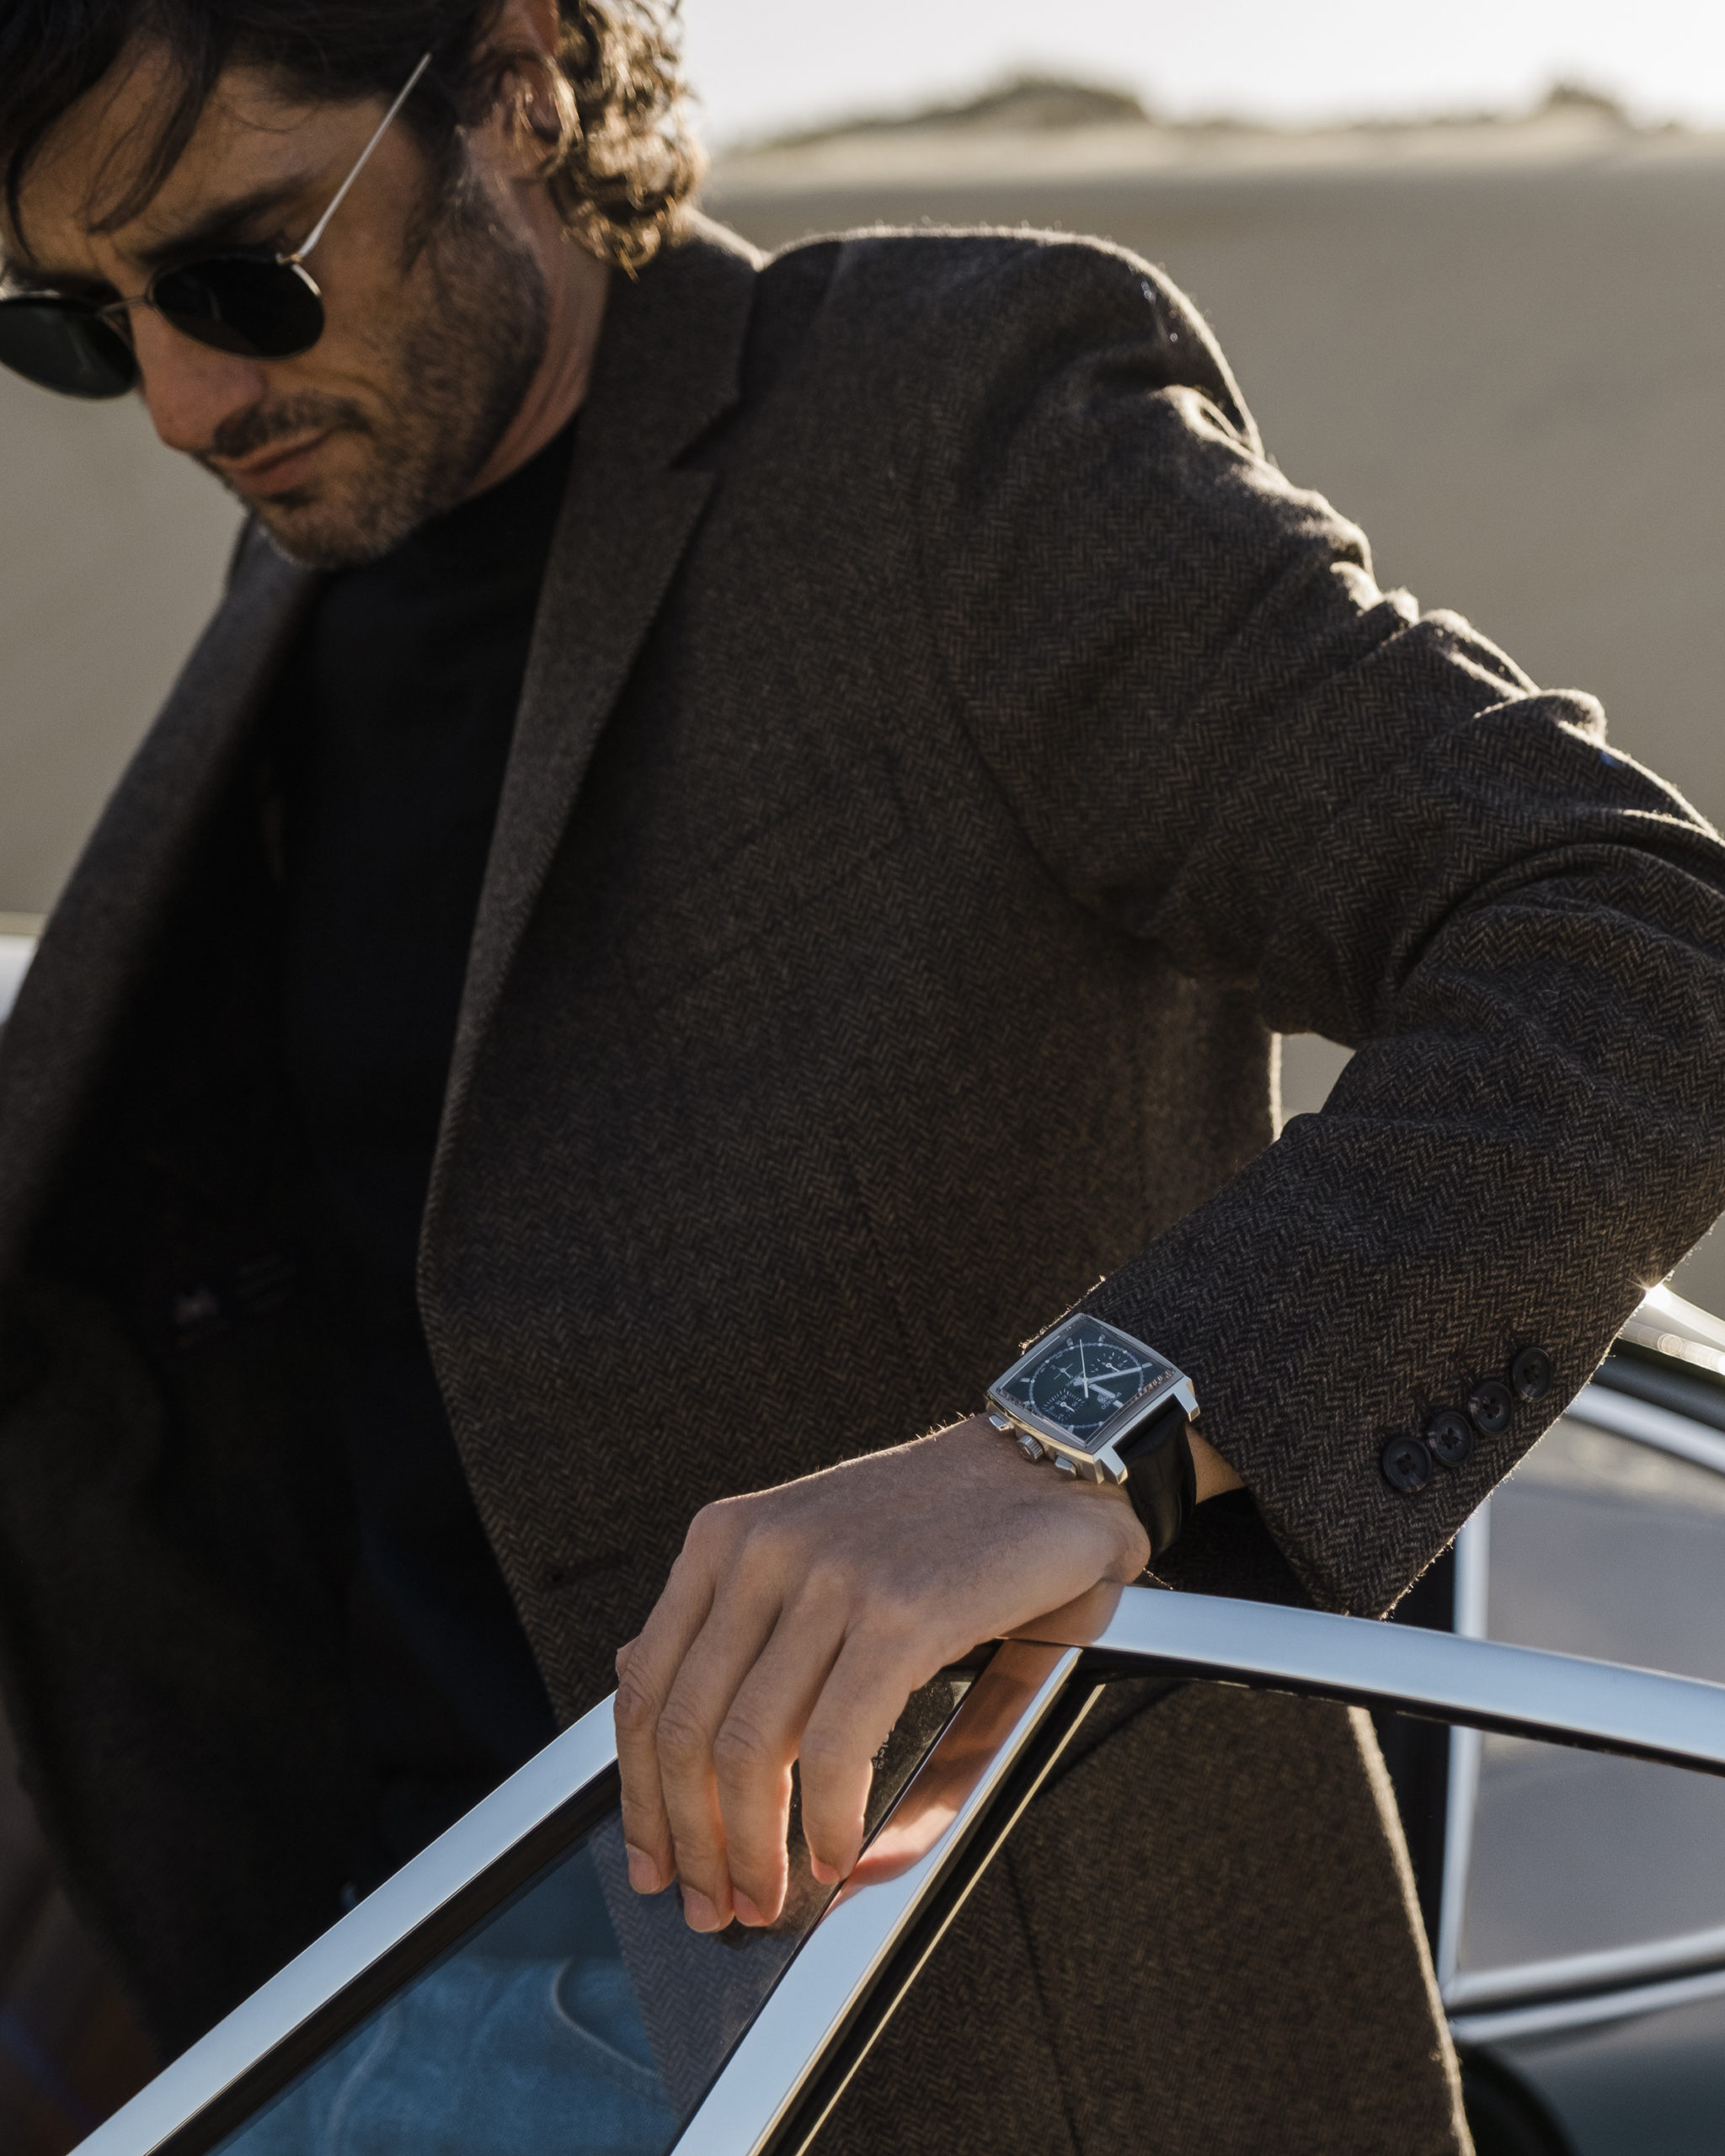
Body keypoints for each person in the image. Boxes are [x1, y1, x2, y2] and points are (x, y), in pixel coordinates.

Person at [0, 3, 1722, 2150]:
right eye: (79, 325)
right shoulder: (317, 538)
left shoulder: (940, 422)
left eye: (248, 271)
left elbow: (1631, 937)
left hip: (914, 2043)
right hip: (361, 2006)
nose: (182, 399)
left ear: (517, 78)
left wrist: (1084, 1433)